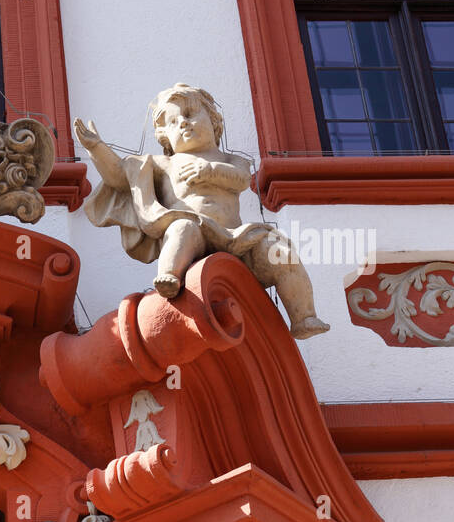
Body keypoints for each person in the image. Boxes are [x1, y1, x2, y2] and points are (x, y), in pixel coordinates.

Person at [75, 84, 329, 339]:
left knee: (279, 250)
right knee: (181, 230)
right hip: (194, 227)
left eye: (189, 114)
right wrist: (96, 148)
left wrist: (210, 171)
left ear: (214, 121)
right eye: (173, 121)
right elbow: (120, 175)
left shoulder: (230, 160)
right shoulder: (164, 163)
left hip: (237, 237)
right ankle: (169, 276)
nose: (183, 123)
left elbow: (242, 179)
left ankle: (304, 316)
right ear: (165, 136)